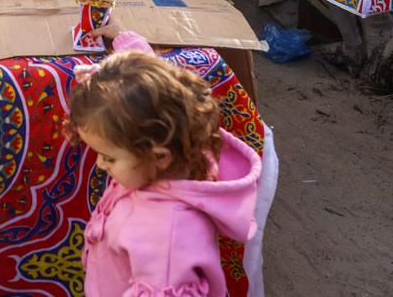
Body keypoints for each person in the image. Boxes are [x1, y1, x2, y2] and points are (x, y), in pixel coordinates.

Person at [69, 24, 262, 297]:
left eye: (109, 157)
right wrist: (125, 38)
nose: (101, 164)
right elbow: (154, 82)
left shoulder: (169, 239)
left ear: (158, 156)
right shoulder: (174, 139)